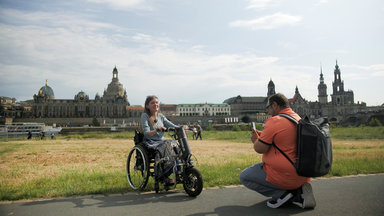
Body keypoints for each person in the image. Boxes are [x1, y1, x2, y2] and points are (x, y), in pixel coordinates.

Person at [239, 93, 316, 209]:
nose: (268, 111)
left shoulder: (275, 121)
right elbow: (283, 139)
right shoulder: (297, 118)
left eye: (268, 107)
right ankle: (300, 190)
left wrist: (255, 140)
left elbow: (259, 149)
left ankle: (285, 195)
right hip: (304, 173)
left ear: (275, 105)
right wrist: (263, 135)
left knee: (244, 176)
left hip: (285, 174)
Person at [141, 95, 178, 185]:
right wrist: (157, 130)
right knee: (166, 145)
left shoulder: (161, 116)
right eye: (152, 103)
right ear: (147, 106)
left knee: (176, 145)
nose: (155, 104)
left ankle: (177, 172)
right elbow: (146, 133)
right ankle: (161, 176)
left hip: (161, 142)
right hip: (150, 142)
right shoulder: (145, 116)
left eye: (157, 102)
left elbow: (172, 125)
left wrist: (182, 128)